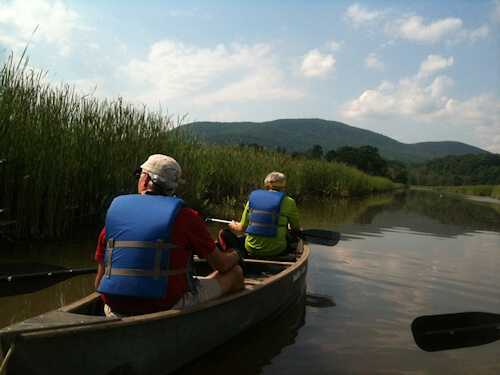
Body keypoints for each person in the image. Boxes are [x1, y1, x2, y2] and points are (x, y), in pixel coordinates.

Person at [94, 154, 244, 317]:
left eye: (139, 176)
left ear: (145, 179)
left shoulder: (116, 214)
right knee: (235, 273)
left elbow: (99, 282)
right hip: (166, 306)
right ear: (173, 186)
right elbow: (221, 265)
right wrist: (236, 254)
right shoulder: (186, 217)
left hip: (113, 308)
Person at [226, 171, 302, 257]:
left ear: (266, 185)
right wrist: (288, 227)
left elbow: (241, 228)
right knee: (295, 239)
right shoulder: (289, 201)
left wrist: (233, 225)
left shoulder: (252, 200)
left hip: (251, 248)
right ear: (283, 187)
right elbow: (297, 229)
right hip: (276, 249)